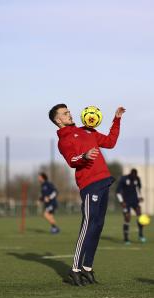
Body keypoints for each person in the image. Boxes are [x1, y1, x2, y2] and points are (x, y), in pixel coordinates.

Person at [49, 103, 125, 286]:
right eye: (65, 113)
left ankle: (87, 268)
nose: (70, 114)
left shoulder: (87, 131)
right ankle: (74, 269)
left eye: (69, 112)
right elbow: (71, 160)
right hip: (89, 185)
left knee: (98, 226)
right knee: (88, 225)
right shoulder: (64, 139)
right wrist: (84, 156)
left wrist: (117, 120)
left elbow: (110, 142)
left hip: (104, 181)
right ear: (58, 120)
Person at [116, 169, 145, 244]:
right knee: (127, 217)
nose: (135, 177)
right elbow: (118, 191)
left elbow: (138, 189)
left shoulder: (137, 179)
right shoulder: (124, 179)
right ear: (131, 174)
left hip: (135, 201)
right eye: (134, 176)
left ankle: (141, 235)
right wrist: (121, 201)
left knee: (140, 215)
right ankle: (126, 239)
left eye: (136, 176)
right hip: (126, 202)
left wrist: (140, 196)